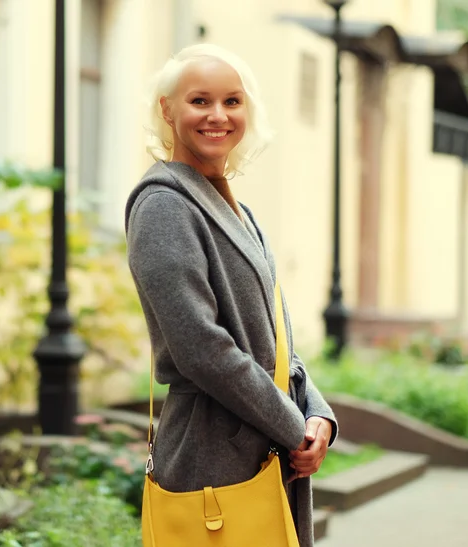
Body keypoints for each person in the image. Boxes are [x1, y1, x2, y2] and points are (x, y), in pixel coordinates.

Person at [125, 43, 338, 547]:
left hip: (262, 444)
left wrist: (318, 416)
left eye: (232, 101)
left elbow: (278, 336)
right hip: (210, 453)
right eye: (200, 101)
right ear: (168, 110)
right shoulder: (163, 206)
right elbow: (202, 348)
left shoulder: (237, 209)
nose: (217, 115)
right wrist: (292, 426)